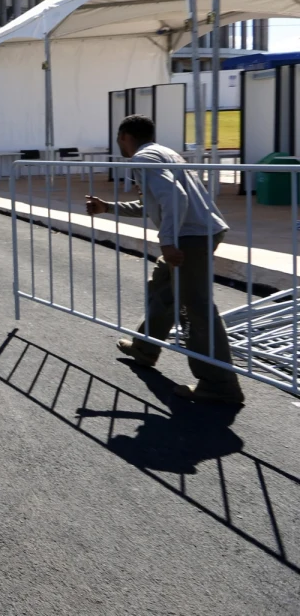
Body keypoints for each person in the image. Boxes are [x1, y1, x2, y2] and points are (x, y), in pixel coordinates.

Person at [84, 114, 244, 405]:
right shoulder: (164, 153)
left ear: (124, 137)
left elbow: (176, 199)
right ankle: (145, 347)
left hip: (191, 237)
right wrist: (107, 206)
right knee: (163, 285)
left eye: (119, 139)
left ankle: (220, 384)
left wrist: (168, 241)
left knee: (197, 307)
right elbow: (152, 204)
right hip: (198, 232)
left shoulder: (143, 159)